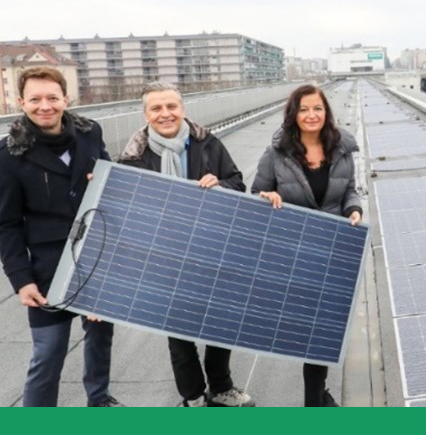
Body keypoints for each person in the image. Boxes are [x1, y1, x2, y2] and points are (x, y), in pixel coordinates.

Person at [0, 67, 123, 407]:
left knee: (100, 338)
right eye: (35, 99)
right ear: (21, 102)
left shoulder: (90, 132)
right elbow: (6, 224)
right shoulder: (5, 155)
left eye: (52, 97)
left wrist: (103, 180)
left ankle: (99, 402)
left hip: (96, 255)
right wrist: (22, 281)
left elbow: (111, 182)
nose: (44, 106)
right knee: (48, 354)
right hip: (48, 270)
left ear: (66, 98)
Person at [119, 81, 255, 407]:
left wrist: (219, 184)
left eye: (171, 107)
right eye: (156, 108)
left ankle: (221, 388)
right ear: (146, 114)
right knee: (178, 333)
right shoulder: (133, 158)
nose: (165, 114)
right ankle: (193, 396)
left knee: (219, 324)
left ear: (182, 109)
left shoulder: (207, 143)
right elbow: (129, 211)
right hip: (166, 255)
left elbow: (238, 183)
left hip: (211, 250)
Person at [251, 84, 363, 407]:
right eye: (304, 109)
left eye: (317, 108)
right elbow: (256, 194)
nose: (311, 115)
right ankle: (317, 399)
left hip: (331, 252)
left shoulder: (341, 150)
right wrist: (267, 197)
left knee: (323, 332)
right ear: (293, 114)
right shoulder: (275, 155)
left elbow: (349, 192)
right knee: (307, 334)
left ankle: (315, 400)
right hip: (293, 254)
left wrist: (353, 209)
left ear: (326, 112)